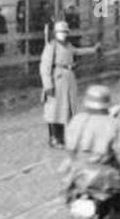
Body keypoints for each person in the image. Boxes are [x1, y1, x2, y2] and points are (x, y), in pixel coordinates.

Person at [40, 19, 98, 148]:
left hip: (68, 79)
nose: (63, 34)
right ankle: (54, 138)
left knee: (65, 111)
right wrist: (48, 85)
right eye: (60, 32)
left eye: (65, 32)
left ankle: (62, 138)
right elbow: (45, 67)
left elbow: (77, 51)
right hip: (57, 80)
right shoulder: (51, 46)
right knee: (54, 110)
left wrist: (93, 50)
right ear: (55, 33)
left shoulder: (68, 45)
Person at [63, 84, 120, 173]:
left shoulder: (76, 119)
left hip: (75, 169)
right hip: (101, 173)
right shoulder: (113, 123)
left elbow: (69, 148)